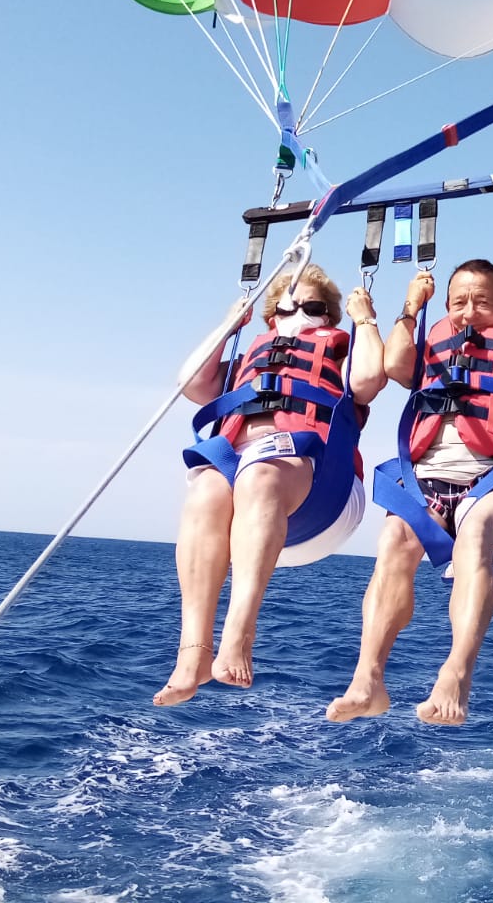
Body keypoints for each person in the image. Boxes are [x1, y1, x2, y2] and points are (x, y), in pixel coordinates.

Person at [327, 253, 493, 726]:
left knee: (475, 541)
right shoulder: (431, 343)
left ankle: (456, 674)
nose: (467, 311)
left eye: (481, 302)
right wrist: (411, 305)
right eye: (458, 302)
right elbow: (396, 365)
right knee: (393, 546)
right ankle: (368, 679)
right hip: (425, 473)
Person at [154, 265, 385, 704]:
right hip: (241, 483)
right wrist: (228, 324)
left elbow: (370, 380)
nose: (299, 313)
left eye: (313, 308)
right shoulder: (246, 362)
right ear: (271, 317)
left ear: (329, 317)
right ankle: (193, 652)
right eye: (287, 307)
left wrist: (365, 320)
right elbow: (190, 382)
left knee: (259, 473)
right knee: (205, 487)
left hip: (320, 492)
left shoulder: (342, 354)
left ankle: (239, 632)